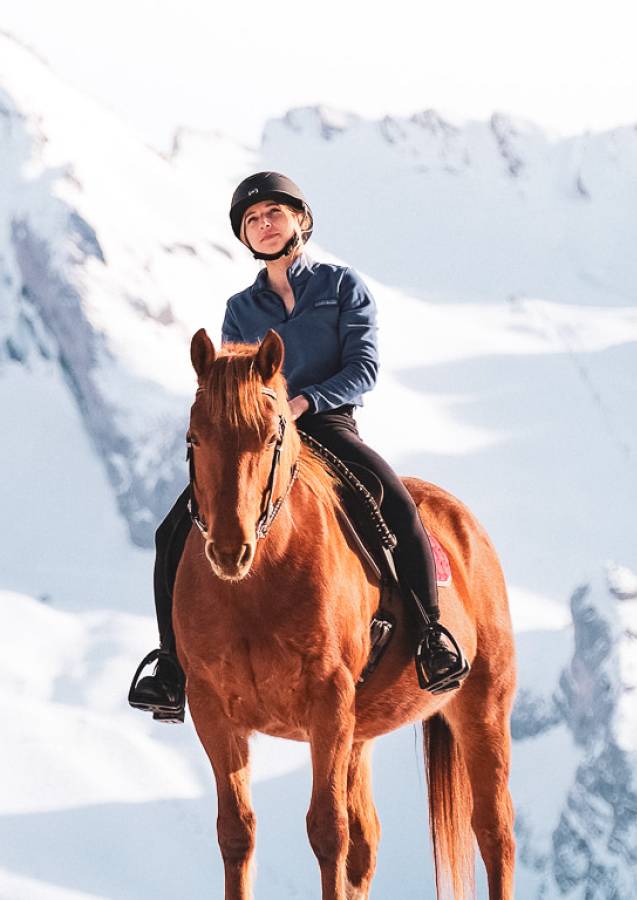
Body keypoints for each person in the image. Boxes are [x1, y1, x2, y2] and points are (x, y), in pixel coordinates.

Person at [127, 171, 470, 722]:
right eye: (252, 220)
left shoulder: (342, 287)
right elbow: (235, 380)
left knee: (394, 502)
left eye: (273, 215)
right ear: (245, 237)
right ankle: (171, 665)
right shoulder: (241, 309)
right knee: (173, 531)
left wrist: (305, 403)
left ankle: (431, 635)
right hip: (259, 438)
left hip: (327, 426)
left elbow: (364, 368)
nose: (264, 226)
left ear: (299, 221)